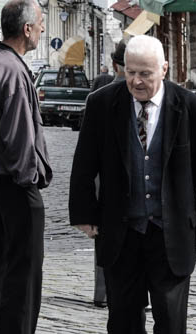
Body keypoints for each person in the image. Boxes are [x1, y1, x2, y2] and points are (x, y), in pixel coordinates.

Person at [69, 34, 196, 334]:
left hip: (172, 231)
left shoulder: (191, 108)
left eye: (145, 74)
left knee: (170, 320)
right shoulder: (102, 105)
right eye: (130, 72)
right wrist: (83, 214)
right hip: (121, 231)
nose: (137, 81)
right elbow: (84, 164)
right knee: (123, 320)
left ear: (164, 69)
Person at [0, 0, 53, 334]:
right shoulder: (12, 69)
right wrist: (28, 178)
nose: (43, 29)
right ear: (27, 29)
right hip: (14, 183)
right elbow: (19, 136)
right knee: (25, 270)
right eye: (41, 24)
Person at [85, 40, 128, 310]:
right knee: (107, 234)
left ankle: (105, 292)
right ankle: (107, 291)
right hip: (107, 176)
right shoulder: (102, 96)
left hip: (107, 177)